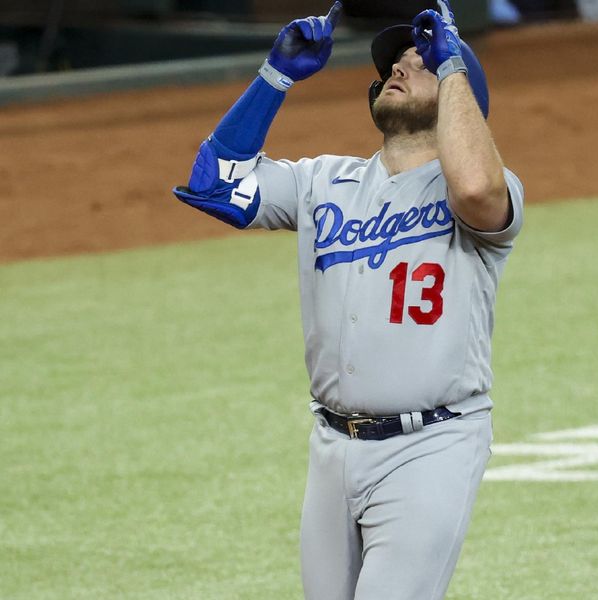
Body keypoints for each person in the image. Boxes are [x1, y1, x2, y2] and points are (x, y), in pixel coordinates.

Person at [173, 1, 524, 598]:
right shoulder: (321, 182)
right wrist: (275, 77)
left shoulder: (488, 190)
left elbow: (474, 185)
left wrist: (454, 63)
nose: (400, 68)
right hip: (332, 448)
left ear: (460, 93)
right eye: (395, 63)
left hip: (431, 445)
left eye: (422, 62)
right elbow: (215, 186)